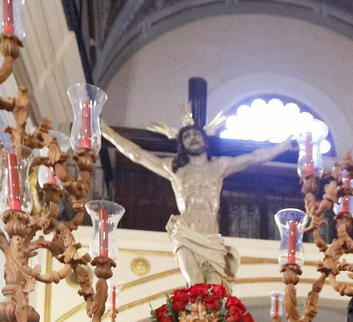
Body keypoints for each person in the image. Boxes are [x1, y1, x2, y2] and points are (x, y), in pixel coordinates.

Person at [103, 120, 291, 288]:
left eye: (196, 134)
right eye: (186, 136)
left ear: (205, 141)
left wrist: (284, 146)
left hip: (211, 239)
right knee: (196, 288)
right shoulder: (175, 169)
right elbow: (137, 155)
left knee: (215, 293)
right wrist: (105, 130)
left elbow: (255, 157)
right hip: (185, 234)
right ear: (182, 144)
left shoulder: (219, 166)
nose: (192, 138)